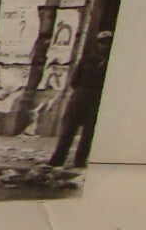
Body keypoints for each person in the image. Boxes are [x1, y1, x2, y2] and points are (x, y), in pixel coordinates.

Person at [48, 30, 114, 168]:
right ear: (97, 44)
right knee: (68, 130)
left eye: (108, 43)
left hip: (98, 98)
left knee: (89, 133)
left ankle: (79, 161)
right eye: (102, 43)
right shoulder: (86, 60)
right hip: (80, 96)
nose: (105, 46)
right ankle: (56, 160)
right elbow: (74, 81)